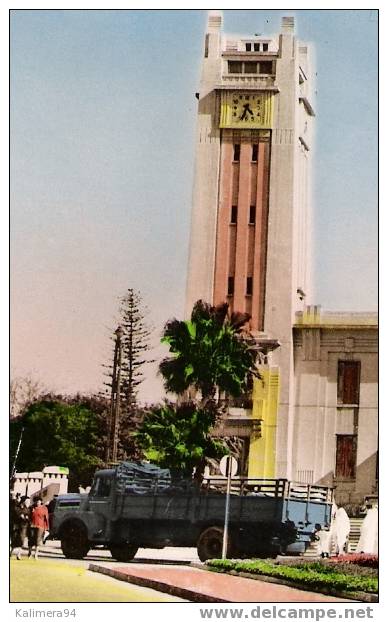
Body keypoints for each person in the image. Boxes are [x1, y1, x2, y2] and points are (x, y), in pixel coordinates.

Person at [10, 495, 30, 560]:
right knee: (15, 540)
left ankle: (19, 554)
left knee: (22, 540)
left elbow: (28, 517)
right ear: (23, 502)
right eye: (27, 501)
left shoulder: (27, 509)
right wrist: (22, 516)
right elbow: (16, 515)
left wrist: (26, 517)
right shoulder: (16, 507)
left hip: (24, 526)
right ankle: (10, 552)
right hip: (16, 526)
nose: (28, 503)